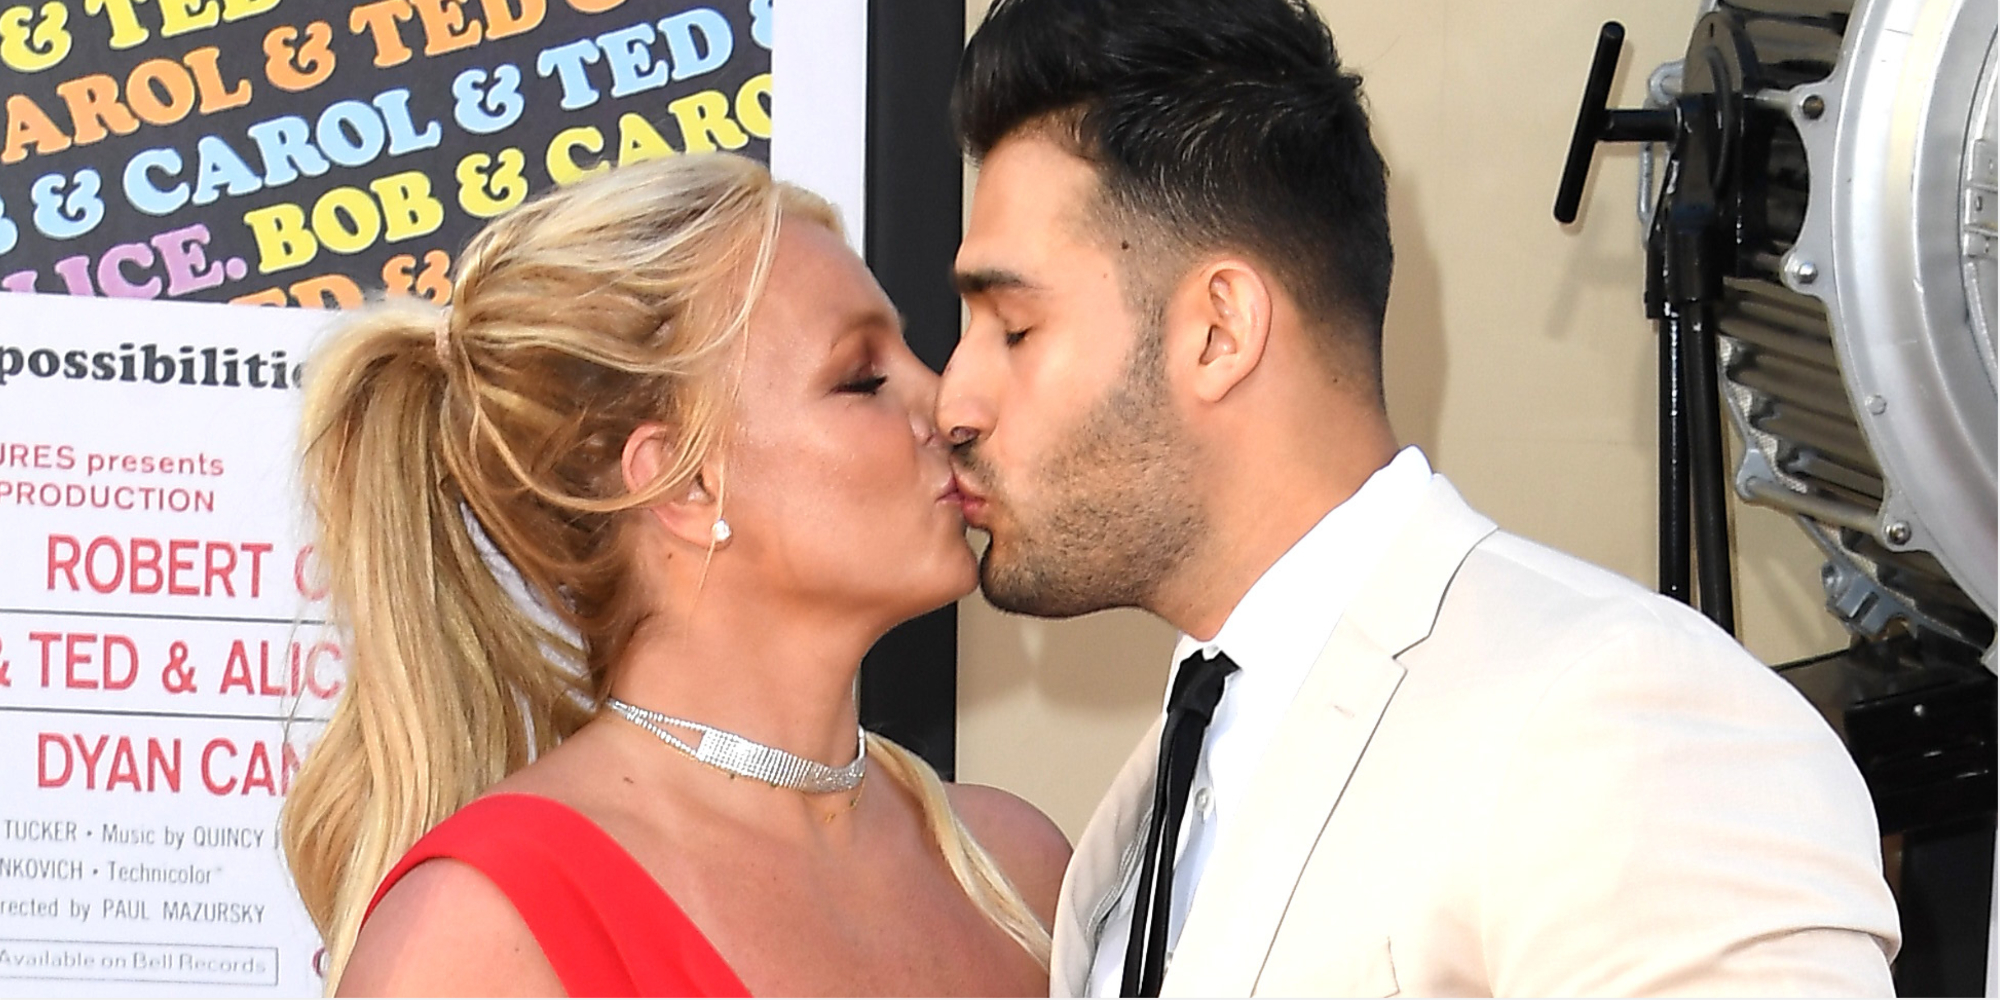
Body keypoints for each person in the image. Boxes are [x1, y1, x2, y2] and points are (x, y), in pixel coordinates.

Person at [938, 0, 1901, 995]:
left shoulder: (1620, 726)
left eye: (1011, 325)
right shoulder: (1169, 778)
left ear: (1217, 331)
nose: (952, 400)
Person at [280, 152, 1069, 997]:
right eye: (862, 379)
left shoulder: (1021, 872)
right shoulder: (479, 937)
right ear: (681, 483)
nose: (946, 403)